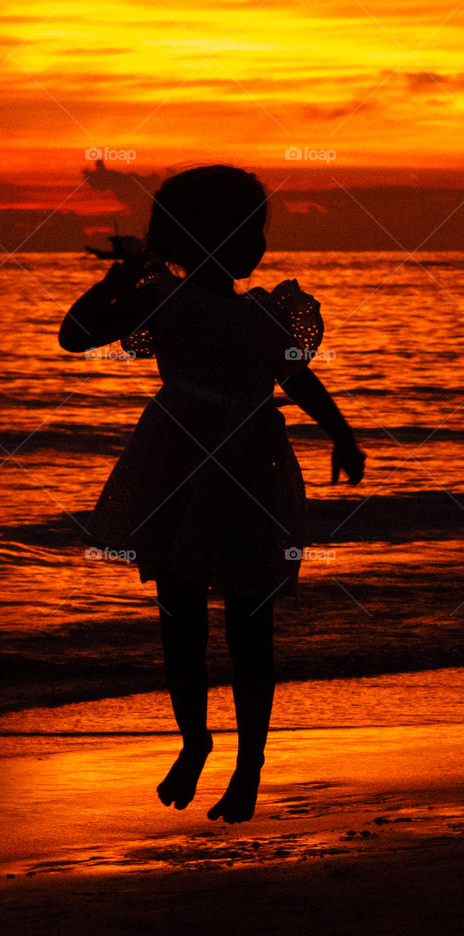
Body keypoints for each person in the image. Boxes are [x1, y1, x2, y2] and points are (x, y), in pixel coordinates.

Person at [58, 165, 365, 823]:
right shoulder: (164, 299)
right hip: (176, 470)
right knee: (182, 617)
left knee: (249, 627)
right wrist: (117, 279)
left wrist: (340, 432)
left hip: (249, 473)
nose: (257, 241)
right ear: (209, 235)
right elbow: (76, 335)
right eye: (248, 228)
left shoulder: (265, 310)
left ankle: (248, 762)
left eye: (258, 228)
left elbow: (297, 381)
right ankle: (195, 739)